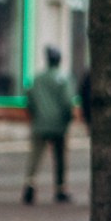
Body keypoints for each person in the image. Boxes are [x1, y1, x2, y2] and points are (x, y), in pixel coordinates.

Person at [23, 46, 77, 205]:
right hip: (58, 125)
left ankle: (29, 184)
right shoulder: (63, 78)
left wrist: (35, 116)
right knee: (60, 157)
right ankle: (60, 189)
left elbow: (30, 100)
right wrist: (68, 119)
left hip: (40, 123)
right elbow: (68, 102)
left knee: (35, 156)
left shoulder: (37, 79)